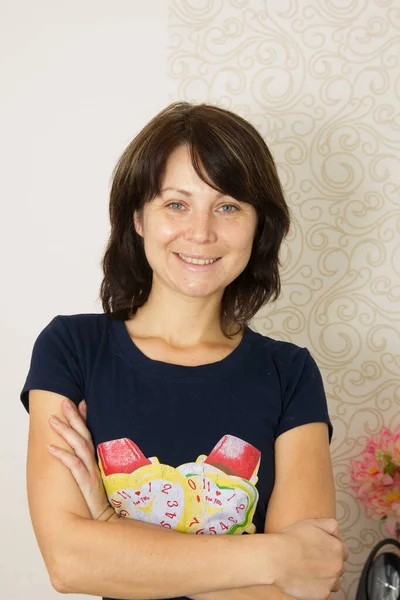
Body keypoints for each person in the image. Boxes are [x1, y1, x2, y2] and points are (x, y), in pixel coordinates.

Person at [20, 101, 348, 600]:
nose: (201, 233)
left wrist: (110, 528)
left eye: (228, 206)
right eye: (176, 204)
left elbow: (305, 585)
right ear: (138, 217)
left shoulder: (290, 373)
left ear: (259, 225)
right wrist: (273, 556)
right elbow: (69, 562)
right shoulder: (72, 350)